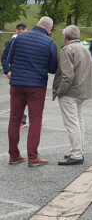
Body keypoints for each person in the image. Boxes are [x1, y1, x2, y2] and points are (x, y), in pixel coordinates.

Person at [7, 17, 58, 167]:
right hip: (36, 86)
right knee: (35, 120)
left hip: (16, 84)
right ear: (49, 29)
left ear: (37, 24)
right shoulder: (50, 43)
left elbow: (10, 58)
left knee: (14, 118)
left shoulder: (19, 37)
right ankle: (33, 156)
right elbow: (53, 68)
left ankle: (14, 155)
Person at [53, 25, 92, 166]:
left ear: (65, 37)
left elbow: (67, 75)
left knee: (71, 123)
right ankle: (78, 150)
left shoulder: (67, 50)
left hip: (70, 92)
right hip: (83, 90)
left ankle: (76, 154)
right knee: (79, 120)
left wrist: (60, 91)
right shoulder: (85, 48)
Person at [2, 22, 29, 129]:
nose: (21, 30)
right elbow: (4, 58)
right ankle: (21, 119)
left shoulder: (32, 41)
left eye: (23, 28)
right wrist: (7, 71)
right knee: (18, 99)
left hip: (30, 74)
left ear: (27, 29)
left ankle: (36, 120)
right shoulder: (10, 43)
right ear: (16, 30)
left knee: (31, 98)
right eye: (19, 28)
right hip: (17, 74)